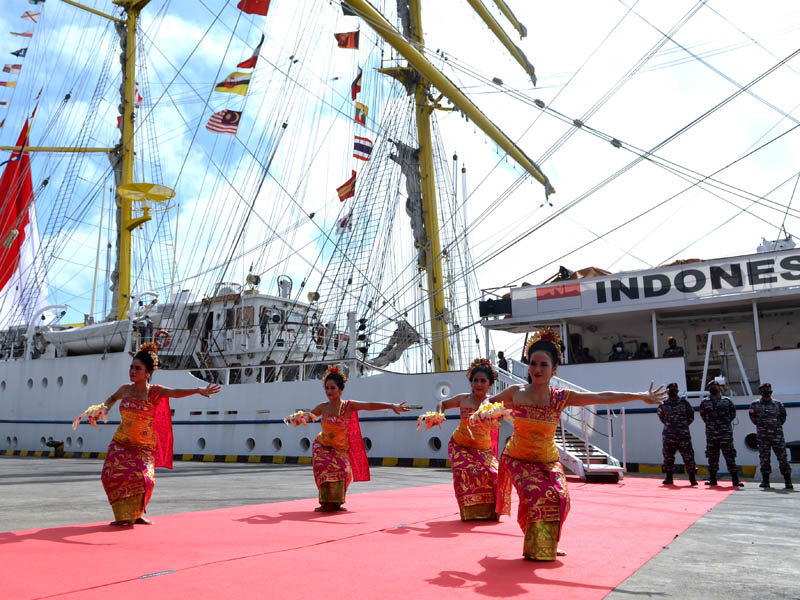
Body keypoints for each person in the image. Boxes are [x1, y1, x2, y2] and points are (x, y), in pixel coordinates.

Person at [491, 327, 665, 561]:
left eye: (543, 365)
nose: (537, 369)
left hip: (547, 459)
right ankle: (536, 546)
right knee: (536, 495)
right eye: (533, 363)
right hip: (517, 458)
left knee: (561, 498)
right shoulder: (516, 392)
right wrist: (486, 413)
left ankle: (546, 543)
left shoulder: (560, 397)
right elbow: (487, 404)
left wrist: (640, 396)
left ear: (554, 369)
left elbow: (601, 397)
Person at [73, 342, 221, 526]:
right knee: (109, 476)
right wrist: (104, 409)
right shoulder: (125, 389)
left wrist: (198, 390)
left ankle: (137, 514)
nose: (132, 371)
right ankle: (122, 517)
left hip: (143, 447)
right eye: (131, 367)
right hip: (120, 443)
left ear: (148, 373)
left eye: (138, 368)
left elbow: (175, 392)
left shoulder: (155, 392)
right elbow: (112, 399)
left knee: (146, 480)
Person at [298, 365, 410, 511]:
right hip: (323, 446)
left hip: (341, 449)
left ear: (341, 390)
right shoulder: (322, 407)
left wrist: (392, 406)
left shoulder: (349, 406)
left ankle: (336, 503)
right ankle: (325, 503)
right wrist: (298, 418)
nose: (329, 391)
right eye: (327, 388)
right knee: (324, 467)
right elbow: (309, 416)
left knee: (344, 471)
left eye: (332, 388)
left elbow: (369, 405)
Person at [435, 359, 500, 521]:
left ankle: (489, 513)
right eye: (475, 380)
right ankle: (469, 513)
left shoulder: (493, 402)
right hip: (460, 445)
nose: (478, 384)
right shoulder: (463, 399)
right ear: (471, 383)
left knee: (495, 474)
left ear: (490, 384)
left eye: (483, 381)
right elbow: (442, 403)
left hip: (483, 448)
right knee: (466, 471)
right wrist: (439, 414)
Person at [699, 378, 743, 488]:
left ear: (719, 388)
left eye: (715, 387)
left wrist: (724, 424)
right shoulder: (705, 402)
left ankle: (735, 480)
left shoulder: (727, 401)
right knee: (712, 458)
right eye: (711, 387)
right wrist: (712, 425)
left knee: (730, 456)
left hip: (725, 434)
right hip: (711, 435)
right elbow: (703, 416)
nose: (713, 389)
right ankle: (713, 479)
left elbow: (732, 414)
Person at [749, 383, 793, 489]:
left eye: (768, 389)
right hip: (763, 437)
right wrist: (762, 426)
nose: (767, 391)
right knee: (764, 459)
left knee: (782, 458)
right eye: (765, 389)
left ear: (771, 391)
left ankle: (788, 481)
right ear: (761, 392)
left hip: (777, 436)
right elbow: (753, 418)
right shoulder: (755, 404)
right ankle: (765, 481)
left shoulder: (778, 404)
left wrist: (775, 426)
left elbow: (783, 417)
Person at [657, 383, 697, 486]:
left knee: (688, 456)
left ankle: (692, 478)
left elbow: (691, 416)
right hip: (669, 435)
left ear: (677, 391)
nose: (672, 391)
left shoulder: (684, 403)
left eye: (674, 389)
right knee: (668, 457)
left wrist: (683, 426)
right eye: (670, 389)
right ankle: (669, 478)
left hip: (683, 435)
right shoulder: (663, 404)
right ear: (667, 392)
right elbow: (661, 417)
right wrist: (670, 425)